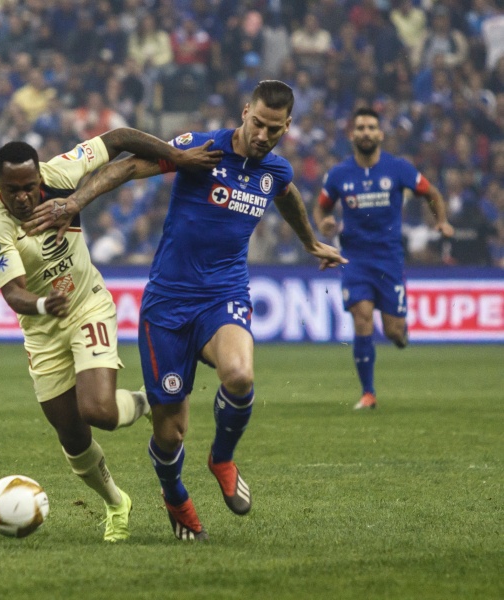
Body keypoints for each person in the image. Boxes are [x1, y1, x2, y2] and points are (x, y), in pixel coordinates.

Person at [24, 80, 346, 541]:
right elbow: (129, 165)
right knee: (170, 433)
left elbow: (287, 194)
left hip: (224, 294)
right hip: (168, 305)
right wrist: (74, 202)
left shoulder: (275, 169)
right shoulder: (202, 149)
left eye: (274, 129)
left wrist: (310, 241)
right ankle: (174, 494)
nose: (262, 136)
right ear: (245, 112)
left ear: (287, 126)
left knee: (239, 375)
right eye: (257, 123)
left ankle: (222, 458)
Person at [0, 128, 221, 542]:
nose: (23, 197)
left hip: (87, 304)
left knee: (100, 412)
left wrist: (175, 158)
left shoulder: (61, 173)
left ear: (40, 177)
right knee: (72, 436)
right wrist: (43, 305)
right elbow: (14, 292)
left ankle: (150, 401)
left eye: (30, 187)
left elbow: (120, 139)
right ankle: (116, 503)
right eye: (12, 189)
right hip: (42, 327)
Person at [313, 107, 454, 410]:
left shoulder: (398, 168)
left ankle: (401, 333)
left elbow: (431, 193)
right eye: (360, 128)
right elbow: (321, 206)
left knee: (393, 332)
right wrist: (324, 223)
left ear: (380, 134)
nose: (365, 132)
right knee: (361, 317)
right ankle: (368, 393)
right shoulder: (339, 174)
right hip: (354, 259)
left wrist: (441, 221)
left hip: (389, 259)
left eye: (370, 128)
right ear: (352, 135)